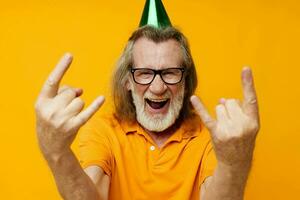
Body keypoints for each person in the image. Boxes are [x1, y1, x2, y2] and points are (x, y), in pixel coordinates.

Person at [35, 2, 260, 200]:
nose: (158, 87)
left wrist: (234, 162)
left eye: (170, 72)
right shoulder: (104, 130)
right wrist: (56, 151)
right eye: (144, 73)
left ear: (185, 79)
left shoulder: (208, 137)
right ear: (127, 81)